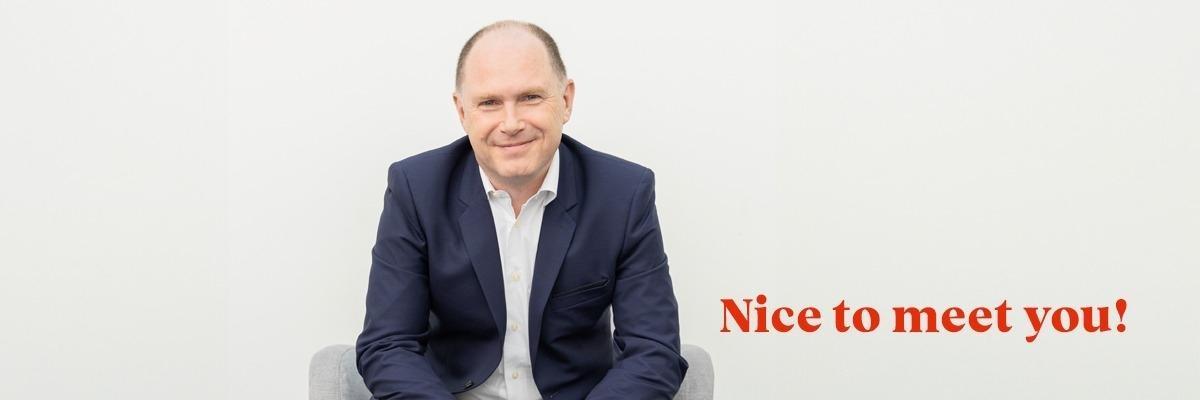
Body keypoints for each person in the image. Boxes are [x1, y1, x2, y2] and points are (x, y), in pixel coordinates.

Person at [355, 20, 687, 400]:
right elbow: (388, 345)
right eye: (489, 103)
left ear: (566, 100)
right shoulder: (416, 190)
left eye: (530, 97)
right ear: (462, 111)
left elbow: (654, 351)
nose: (511, 123)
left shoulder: (623, 194)